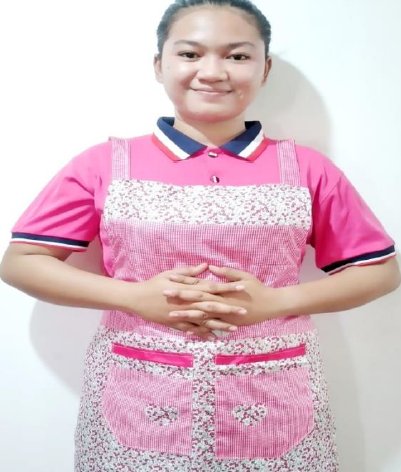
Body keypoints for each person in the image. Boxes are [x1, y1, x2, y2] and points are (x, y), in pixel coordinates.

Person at [1, 0, 400, 470]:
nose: (212, 72)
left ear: (264, 69)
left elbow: (380, 272)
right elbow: (22, 261)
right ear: (159, 65)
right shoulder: (104, 164)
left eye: (237, 55)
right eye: (190, 54)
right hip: (138, 396)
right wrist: (133, 297)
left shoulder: (306, 169)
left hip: (273, 400)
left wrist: (275, 302)